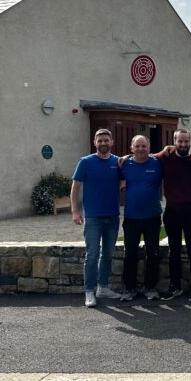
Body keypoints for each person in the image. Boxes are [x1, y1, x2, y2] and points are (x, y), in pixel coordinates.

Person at [70, 128, 121, 308]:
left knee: (107, 254)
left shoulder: (117, 162)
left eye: (106, 140)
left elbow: (123, 180)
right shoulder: (85, 162)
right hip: (93, 217)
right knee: (92, 255)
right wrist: (76, 211)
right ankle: (89, 291)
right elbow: (75, 187)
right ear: (95, 143)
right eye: (100, 141)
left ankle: (103, 287)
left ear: (111, 142)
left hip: (113, 216)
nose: (103, 144)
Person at [155, 129, 191, 302]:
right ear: (174, 141)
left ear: (190, 142)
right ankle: (174, 286)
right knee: (173, 250)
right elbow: (143, 156)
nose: (183, 144)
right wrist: (125, 158)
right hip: (172, 211)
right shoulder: (165, 158)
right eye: (180, 141)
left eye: (186, 141)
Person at [118, 135, 164, 303]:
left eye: (144, 146)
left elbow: (167, 155)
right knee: (129, 254)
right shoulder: (124, 164)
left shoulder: (157, 164)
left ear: (149, 148)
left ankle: (150, 287)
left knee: (153, 253)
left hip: (152, 217)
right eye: (137, 146)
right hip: (131, 217)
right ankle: (129, 288)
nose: (140, 149)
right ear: (131, 148)